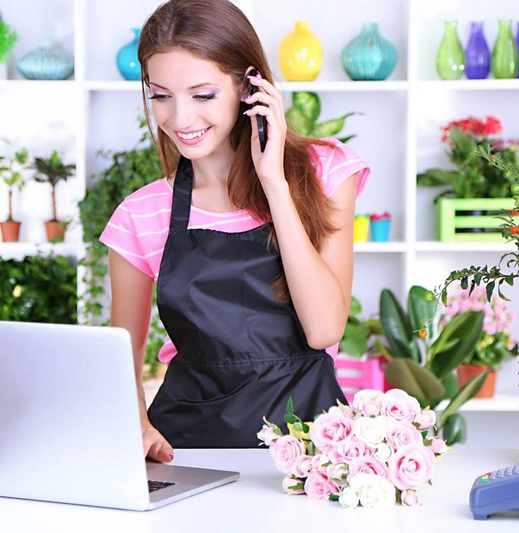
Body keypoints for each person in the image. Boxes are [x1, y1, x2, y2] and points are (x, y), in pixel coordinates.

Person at [100, 0, 371, 463]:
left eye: (202, 95)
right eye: (161, 95)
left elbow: (325, 329)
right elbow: (120, 350)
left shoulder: (326, 171)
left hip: (308, 453)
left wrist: (275, 185)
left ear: (250, 87)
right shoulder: (140, 214)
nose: (180, 119)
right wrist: (139, 425)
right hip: (186, 451)